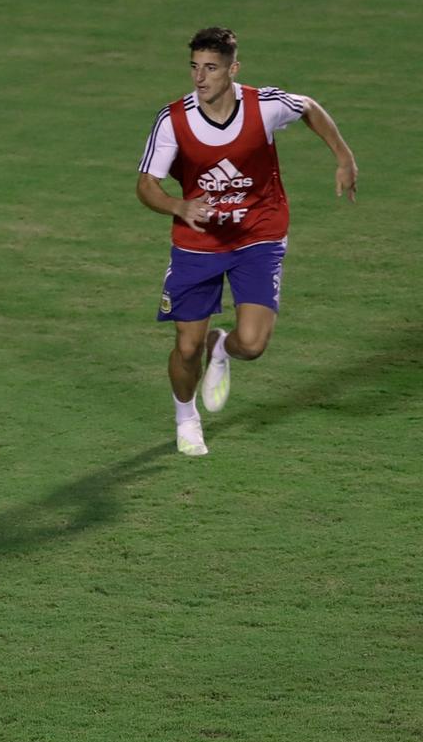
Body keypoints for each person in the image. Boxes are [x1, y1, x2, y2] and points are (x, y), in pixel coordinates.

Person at [135, 26, 358, 455]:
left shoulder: (265, 106)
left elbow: (309, 107)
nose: (200, 78)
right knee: (185, 347)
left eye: (211, 69)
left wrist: (344, 156)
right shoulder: (173, 120)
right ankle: (186, 417)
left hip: (259, 234)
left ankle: (223, 344)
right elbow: (146, 185)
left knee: (252, 346)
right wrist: (178, 207)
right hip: (198, 243)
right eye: (195, 68)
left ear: (233, 70)